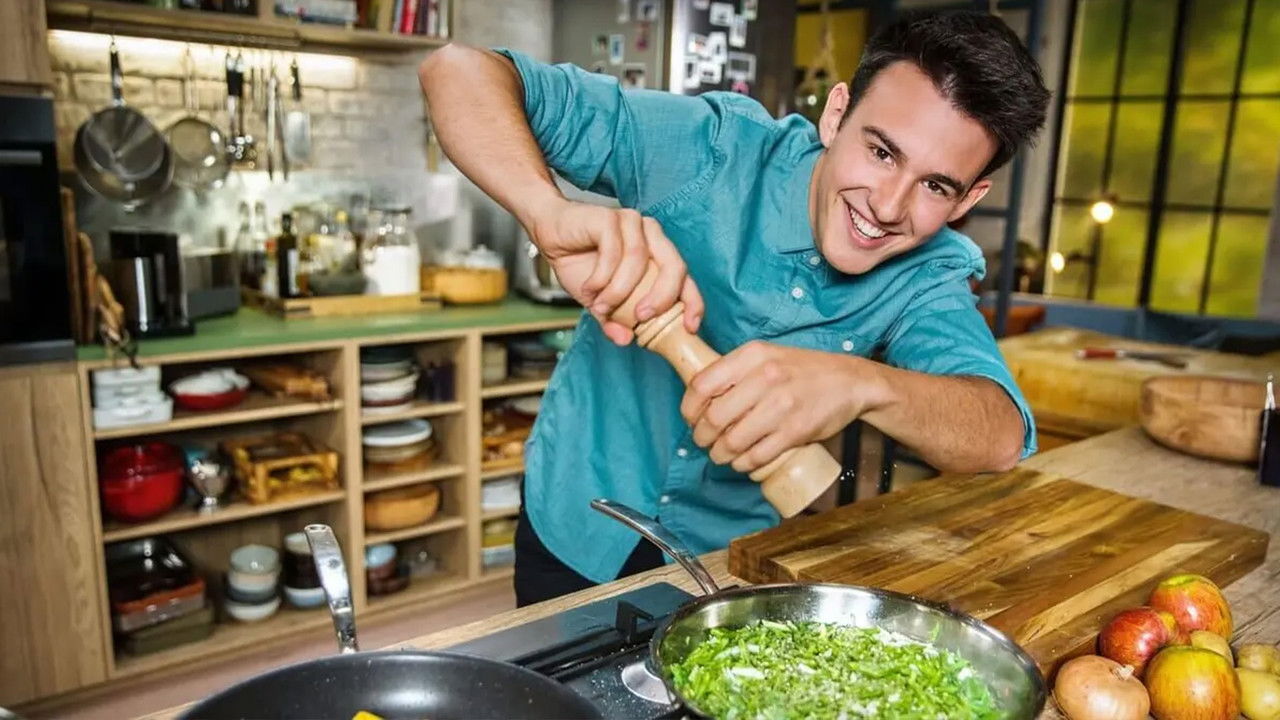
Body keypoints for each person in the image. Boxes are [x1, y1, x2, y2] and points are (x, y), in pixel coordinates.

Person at [420, 10, 1051, 607]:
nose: (888, 205)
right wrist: (549, 212)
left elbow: (999, 435)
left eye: (936, 186)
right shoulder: (711, 148)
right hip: (576, 510)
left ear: (969, 199)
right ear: (836, 116)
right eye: (881, 152)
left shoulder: (929, 272)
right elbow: (457, 69)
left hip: (722, 561)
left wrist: (865, 385)